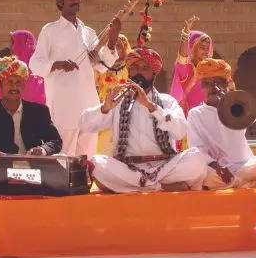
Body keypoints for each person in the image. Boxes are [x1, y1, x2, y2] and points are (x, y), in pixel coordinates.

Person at [79, 47, 209, 193]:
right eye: (134, 67)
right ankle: (159, 187)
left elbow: (180, 131)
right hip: (128, 168)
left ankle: (137, 187)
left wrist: (152, 107)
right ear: (129, 72)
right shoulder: (117, 102)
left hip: (166, 166)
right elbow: (84, 124)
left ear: (154, 73)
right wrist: (105, 108)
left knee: (197, 158)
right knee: (97, 164)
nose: (139, 71)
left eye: (145, 67)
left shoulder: (167, 102)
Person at [29, 0, 119, 156]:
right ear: (59, 1)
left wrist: (112, 41)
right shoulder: (50, 31)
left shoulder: (88, 32)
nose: (76, 0)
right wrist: (57, 64)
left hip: (88, 105)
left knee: (87, 158)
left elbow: (102, 66)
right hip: (64, 106)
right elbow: (34, 64)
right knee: (63, 156)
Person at [187, 58, 256, 189]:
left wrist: (228, 102)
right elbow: (197, 149)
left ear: (225, 84)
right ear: (202, 88)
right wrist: (217, 167)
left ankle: (238, 182)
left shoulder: (236, 105)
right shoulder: (195, 114)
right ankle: (252, 183)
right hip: (218, 170)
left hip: (245, 164)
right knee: (206, 176)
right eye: (207, 84)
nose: (212, 88)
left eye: (216, 82)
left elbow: (254, 116)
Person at [0, 30, 46, 104]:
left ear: (20, 44)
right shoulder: (39, 67)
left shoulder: (16, 66)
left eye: (13, 43)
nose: (10, 47)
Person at [95, 34, 131, 154]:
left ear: (125, 48)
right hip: (103, 105)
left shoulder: (130, 67)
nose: (116, 49)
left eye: (119, 46)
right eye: (114, 46)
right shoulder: (101, 66)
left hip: (123, 108)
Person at [170, 19, 213, 115]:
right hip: (189, 117)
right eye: (202, 48)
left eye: (207, 48)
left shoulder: (211, 70)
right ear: (192, 48)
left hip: (208, 116)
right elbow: (182, 58)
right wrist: (185, 35)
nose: (206, 51)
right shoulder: (187, 69)